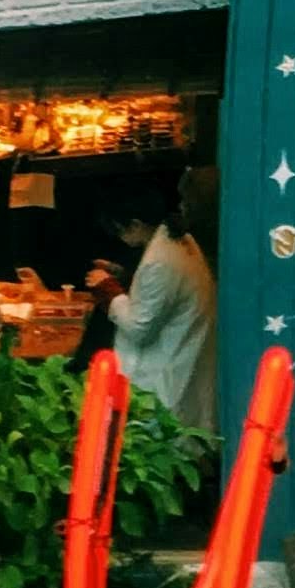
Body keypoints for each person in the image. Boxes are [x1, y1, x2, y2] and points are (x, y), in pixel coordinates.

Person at [85, 181, 215, 435]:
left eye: (120, 231)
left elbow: (140, 327)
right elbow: (162, 293)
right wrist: (122, 276)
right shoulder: (174, 239)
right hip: (184, 348)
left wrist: (108, 289)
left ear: (135, 224)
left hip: (167, 365)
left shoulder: (160, 261)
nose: (120, 239)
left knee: (160, 438)